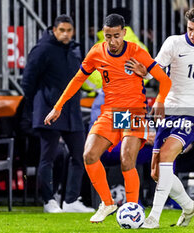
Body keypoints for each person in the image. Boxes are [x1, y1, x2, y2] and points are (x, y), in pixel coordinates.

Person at [44, 13, 171, 222]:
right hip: (110, 112)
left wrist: (159, 101)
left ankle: (132, 209)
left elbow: (164, 80)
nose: (112, 41)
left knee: (127, 160)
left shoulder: (136, 51)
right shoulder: (96, 52)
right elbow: (77, 80)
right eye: (107, 36)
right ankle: (108, 203)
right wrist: (58, 107)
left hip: (135, 111)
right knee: (89, 155)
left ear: (124, 33)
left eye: (116, 36)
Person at [128, 5, 194, 228]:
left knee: (166, 154)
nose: (192, 33)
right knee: (155, 172)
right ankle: (189, 206)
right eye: (190, 28)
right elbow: (157, 68)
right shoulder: (173, 42)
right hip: (168, 109)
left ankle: (154, 217)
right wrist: (146, 74)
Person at [21, 15, 94, 213]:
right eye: (62, 30)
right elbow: (27, 81)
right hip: (48, 111)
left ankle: (71, 201)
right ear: (54, 30)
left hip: (72, 113)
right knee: (48, 157)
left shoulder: (74, 50)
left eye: (69, 31)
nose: (66, 34)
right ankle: (49, 201)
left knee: (80, 156)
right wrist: (39, 104)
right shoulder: (42, 49)